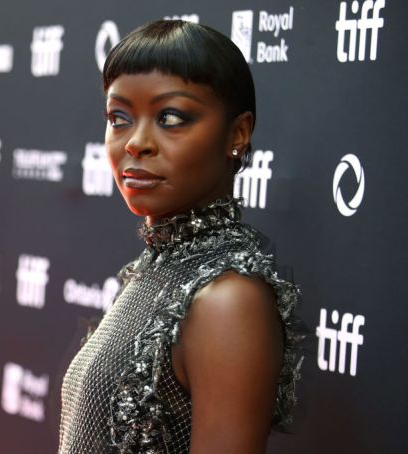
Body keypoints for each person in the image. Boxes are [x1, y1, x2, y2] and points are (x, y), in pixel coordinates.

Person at [58, 19, 307, 454]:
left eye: (170, 117)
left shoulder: (228, 299)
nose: (136, 143)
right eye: (119, 118)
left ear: (238, 134)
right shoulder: (158, 268)